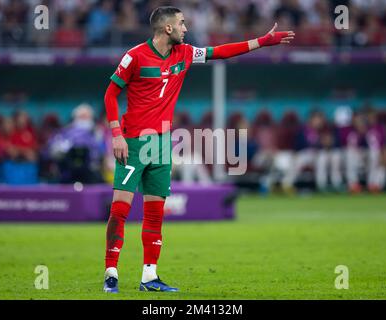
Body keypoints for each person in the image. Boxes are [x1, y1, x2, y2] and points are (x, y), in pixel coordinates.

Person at [102, 6, 295, 293]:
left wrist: (262, 42)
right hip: (133, 142)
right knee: (120, 209)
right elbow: (110, 94)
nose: (186, 28)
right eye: (181, 24)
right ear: (167, 28)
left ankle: (149, 277)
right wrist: (116, 134)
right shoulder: (134, 56)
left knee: (155, 213)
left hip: (162, 144)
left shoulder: (185, 53)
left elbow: (222, 52)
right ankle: (111, 273)